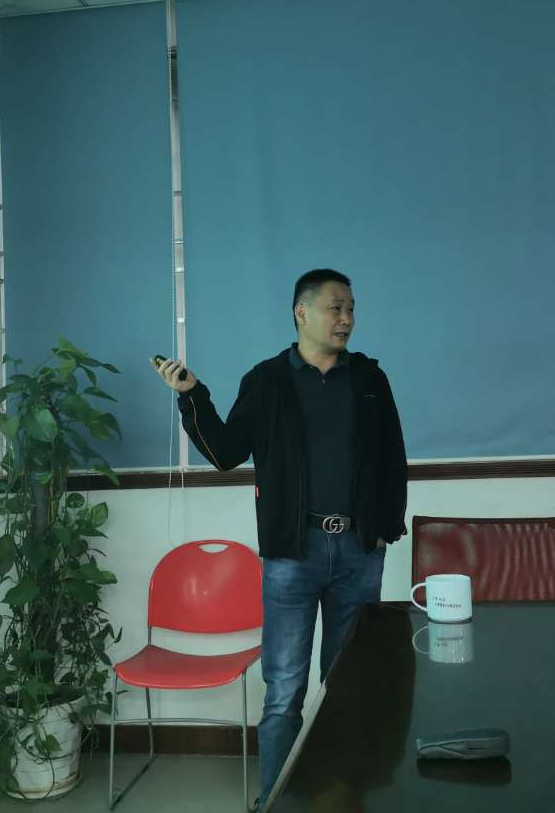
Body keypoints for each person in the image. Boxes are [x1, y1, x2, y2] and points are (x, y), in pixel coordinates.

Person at [151, 268, 408, 806]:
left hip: (359, 551)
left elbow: (392, 458)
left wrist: (385, 529)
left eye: (351, 309)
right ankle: (275, 801)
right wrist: (192, 396)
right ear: (301, 312)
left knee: (348, 685)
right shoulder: (267, 380)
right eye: (336, 307)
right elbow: (226, 452)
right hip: (293, 552)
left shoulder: (368, 378)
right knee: (284, 689)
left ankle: (343, 796)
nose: (346, 318)